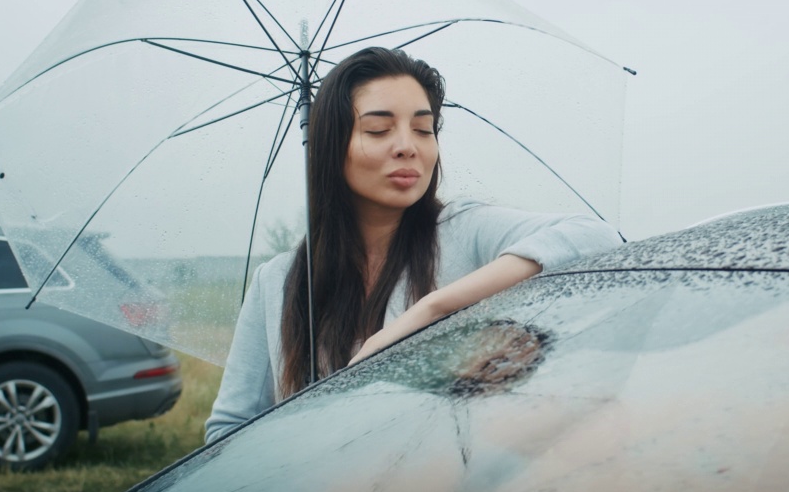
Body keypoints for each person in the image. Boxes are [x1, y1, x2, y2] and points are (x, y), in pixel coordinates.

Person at [205, 47, 620, 444]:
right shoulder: (276, 281)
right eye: (378, 129)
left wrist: (433, 308)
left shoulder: (462, 232)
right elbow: (229, 429)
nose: (409, 145)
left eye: (424, 129)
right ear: (332, 146)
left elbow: (595, 236)